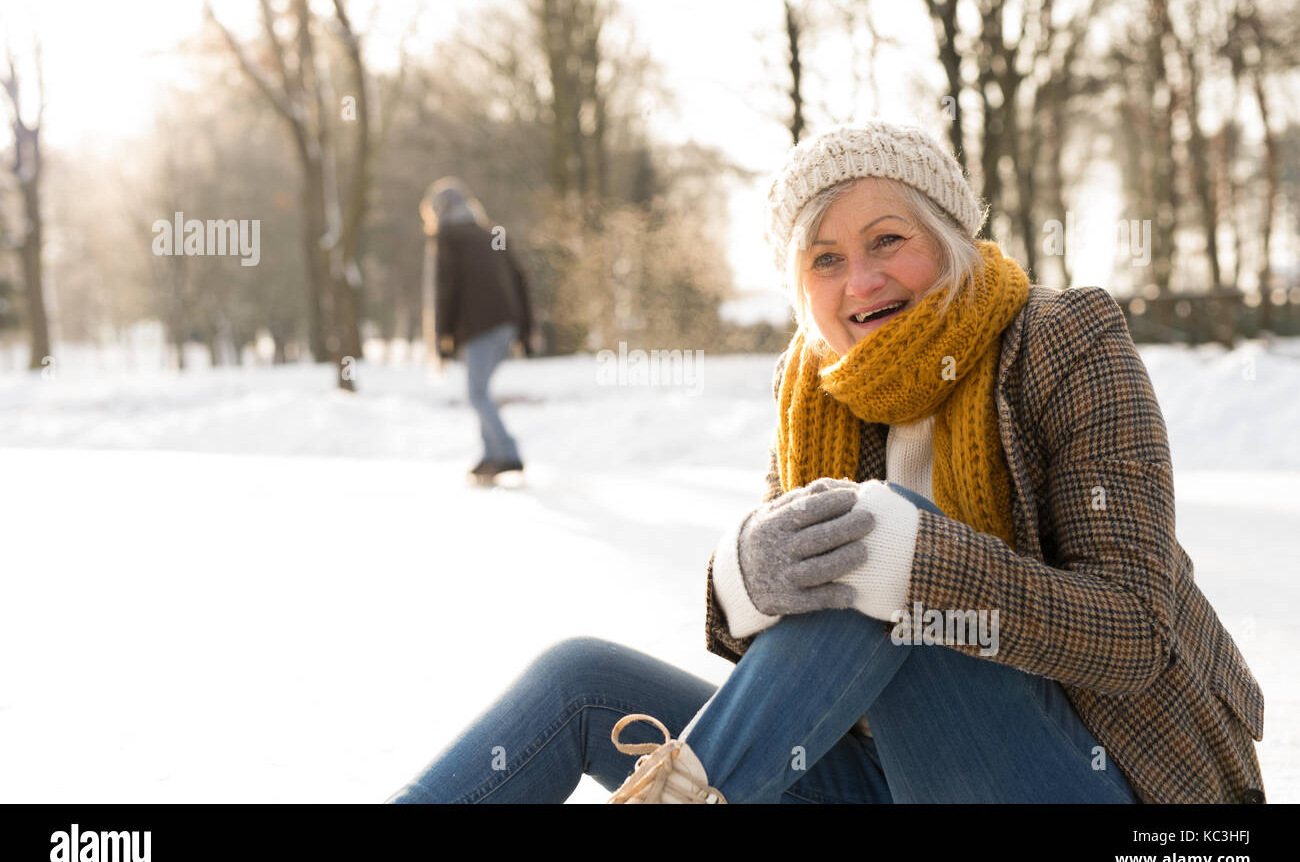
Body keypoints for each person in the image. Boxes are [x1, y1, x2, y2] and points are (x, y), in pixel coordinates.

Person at [387, 121, 1265, 804]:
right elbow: (794, 667)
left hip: (1096, 784)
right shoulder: (812, 390)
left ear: (951, 239)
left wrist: (923, 563)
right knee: (579, 678)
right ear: (802, 288)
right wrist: (740, 579)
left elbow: (1138, 631)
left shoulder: (1062, 341)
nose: (862, 281)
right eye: (827, 259)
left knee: (880, 544)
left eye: (889, 240)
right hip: (884, 779)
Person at [421, 177, 533, 479]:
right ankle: (491, 454)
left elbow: (446, 289)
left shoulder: (449, 237)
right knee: (479, 391)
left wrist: (442, 337)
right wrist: (524, 330)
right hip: (506, 323)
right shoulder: (492, 233)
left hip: (481, 326)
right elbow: (519, 280)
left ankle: (507, 453)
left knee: (477, 393)